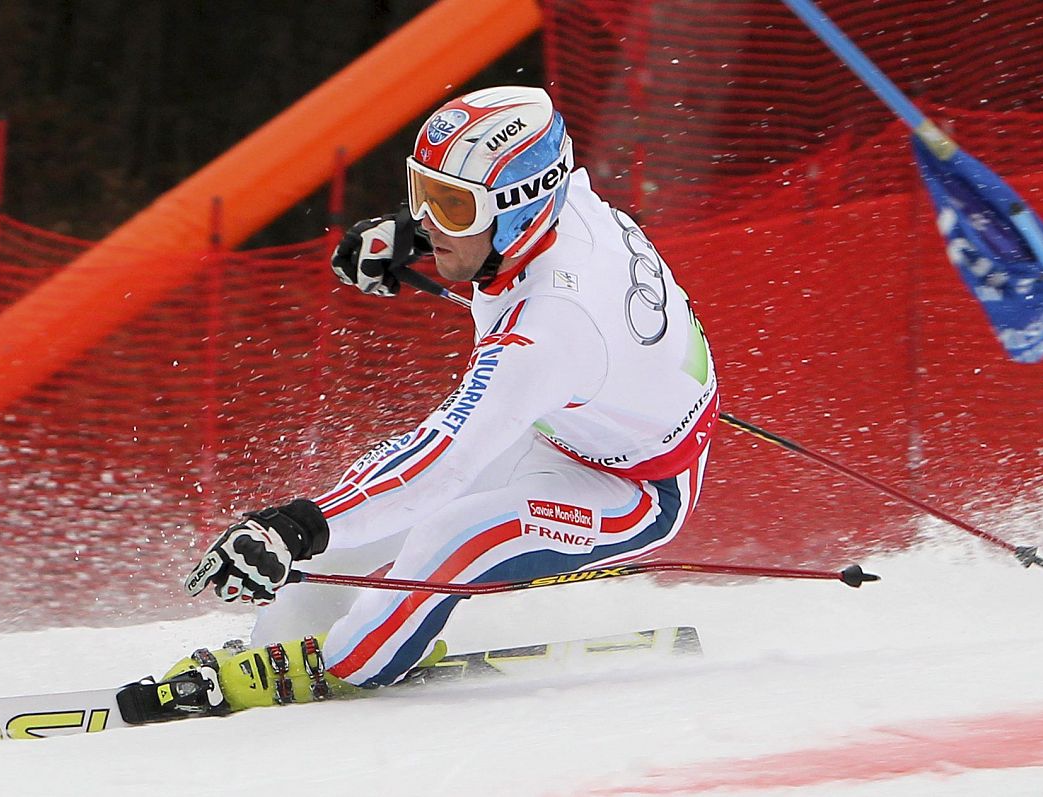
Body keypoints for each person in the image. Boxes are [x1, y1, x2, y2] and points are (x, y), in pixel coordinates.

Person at [171, 85, 717, 714]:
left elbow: (445, 460)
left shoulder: (551, 326)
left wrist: (295, 528)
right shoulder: (560, 204)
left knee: (452, 534)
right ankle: (279, 644)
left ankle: (346, 666)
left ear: (518, 211)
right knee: (362, 514)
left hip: (638, 486)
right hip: (566, 425)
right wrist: (414, 236)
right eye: (422, 196)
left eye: (452, 209)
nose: (430, 221)